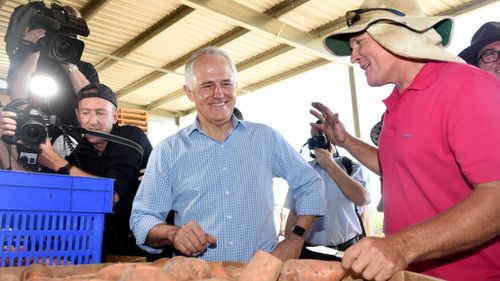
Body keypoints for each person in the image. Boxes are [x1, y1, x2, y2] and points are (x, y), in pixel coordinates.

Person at [311, 0, 500, 280]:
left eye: (360, 43)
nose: (354, 57)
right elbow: (396, 166)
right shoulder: (398, 103)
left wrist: (401, 246)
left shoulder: (467, 87)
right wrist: (345, 140)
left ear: (396, 33)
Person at [130, 46, 325, 262]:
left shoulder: (265, 138)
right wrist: (173, 234)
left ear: (235, 87)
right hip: (198, 276)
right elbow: (141, 218)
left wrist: (295, 239)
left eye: (225, 83)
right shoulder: (167, 152)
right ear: (189, 92)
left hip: (260, 274)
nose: (219, 93)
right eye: (207, 85)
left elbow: (311, 184)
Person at [0, 82, 153, 258]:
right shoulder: (77, 150)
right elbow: (33, 191)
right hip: (103, 251)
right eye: (86, 113)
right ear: (77, 115)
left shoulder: (131, 137)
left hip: (144, 248)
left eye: (100, 113)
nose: (92, 121)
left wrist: (57, 162)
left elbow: (108, 198)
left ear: (115, 116)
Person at [284, 126, 370, 261]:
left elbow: (362, 199)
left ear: (333, 140)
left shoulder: (350, 166)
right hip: (310, 254)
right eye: (315, 138)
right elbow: (293, 213)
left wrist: (330, 164)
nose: (319, 141)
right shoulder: (303, 171)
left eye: (323, 137)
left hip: (347, 251)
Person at [7, 5, 99, 129]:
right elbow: (17, 95)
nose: (60, 40)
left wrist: (68, 63)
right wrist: (33, 51)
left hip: (72, 136)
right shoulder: (26, 58)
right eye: (57, 34)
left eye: (68, 36)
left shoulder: (85, 69)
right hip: (32, 130)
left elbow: (93, 101)